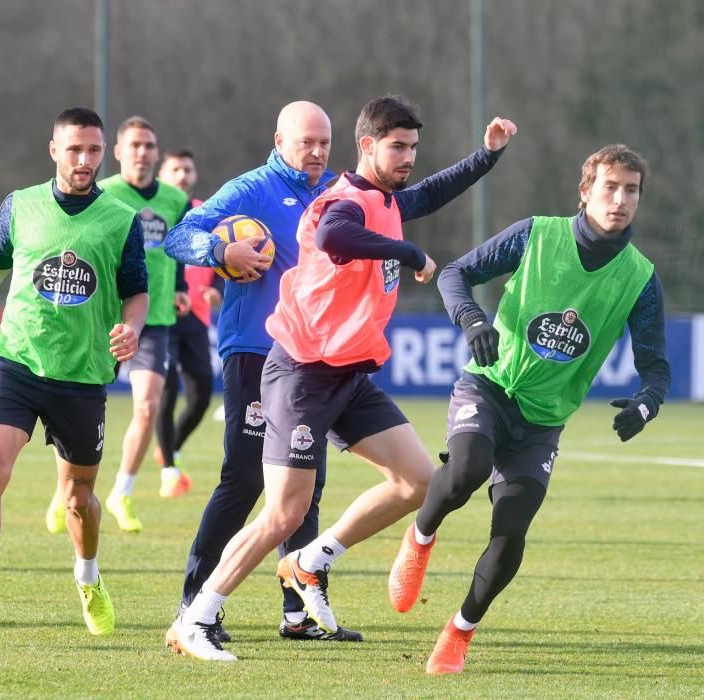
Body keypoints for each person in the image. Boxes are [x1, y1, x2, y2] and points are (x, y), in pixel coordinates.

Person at [165, 95, 517, 661]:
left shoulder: (382, 197)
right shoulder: (345, 198)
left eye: (412, 148)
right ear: (368, 146)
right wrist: (405, 251)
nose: (407, 157)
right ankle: (196, 615)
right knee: (279, 507)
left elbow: (427, 194)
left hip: (348, 372)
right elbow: (333, 238)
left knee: (421, 481)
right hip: (300, 372)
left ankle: (308, 562)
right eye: (397, 147)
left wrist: (486, 156)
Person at [387, 144, 671, 675]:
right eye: (610, 187)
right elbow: (455, 275)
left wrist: (647, 403)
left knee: (511, 527)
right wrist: (473, 322)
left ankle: (459, 631)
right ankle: (420, 537)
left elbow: (656, 366)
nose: (621, 199)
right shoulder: (537, 234)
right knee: (467, 468)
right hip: (490, 387)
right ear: (585, 191)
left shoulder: (639, 277)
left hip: (543, 421)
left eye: (631, 190)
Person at [0, 107, 149, 636]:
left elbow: (136, 292)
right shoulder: (20, 205)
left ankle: (88, 577)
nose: (84, 160)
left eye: (93, 150)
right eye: (74, 149)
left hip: (83, 375)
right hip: (16, 360)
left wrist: (131, 328)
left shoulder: (121, 220)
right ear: (53, 150)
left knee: (78, 500)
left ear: (104, 153)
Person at [162, 101, 360, 645]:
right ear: (279, 140)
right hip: (255, 350)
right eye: (306, 142)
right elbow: (179, 235)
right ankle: (195, 603)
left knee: (308, 483)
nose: (317, 151)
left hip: (314, 356)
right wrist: (222, 249)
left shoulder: (337, 194)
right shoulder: (251, 188)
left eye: (325, 141)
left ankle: (298, 613)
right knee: (246, 478)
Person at [45, 116, 190, 534]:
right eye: (135, 145)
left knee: (147, 406)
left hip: (153, 319)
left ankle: (121, 491)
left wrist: (179, 286)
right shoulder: (103, 193)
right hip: (100, 318)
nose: (143, 152)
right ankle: (64, 490)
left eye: (149, 145)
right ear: (119, 152)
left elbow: (177, 247)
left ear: (157, 153)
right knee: (73, 412)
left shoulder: (175, 199)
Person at [154, 149, 223, 479]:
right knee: (165, 392)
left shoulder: (205, 213)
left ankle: (172, 447)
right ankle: (168, 469)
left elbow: (223, 257)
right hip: (161, 315)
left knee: (201, 396)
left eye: (187, 169)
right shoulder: (150, 214)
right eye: (175, 169)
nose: (182, 175)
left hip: (195, 314)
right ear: (161, 175)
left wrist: (217, 290)